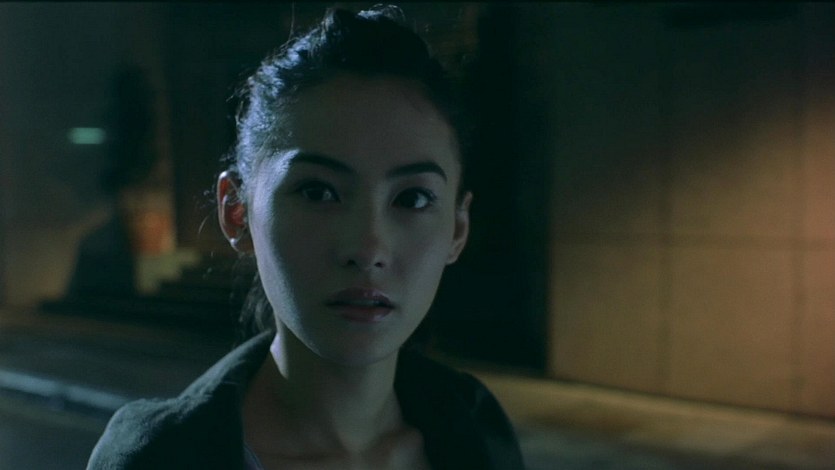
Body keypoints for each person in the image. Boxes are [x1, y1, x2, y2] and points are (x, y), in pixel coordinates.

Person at [87, 5, 525, 469]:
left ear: (458, 228)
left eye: (413, 199)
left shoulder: (477, 431)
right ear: (237, 213)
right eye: (318, 192)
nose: (367, 249)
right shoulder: (160, 460)